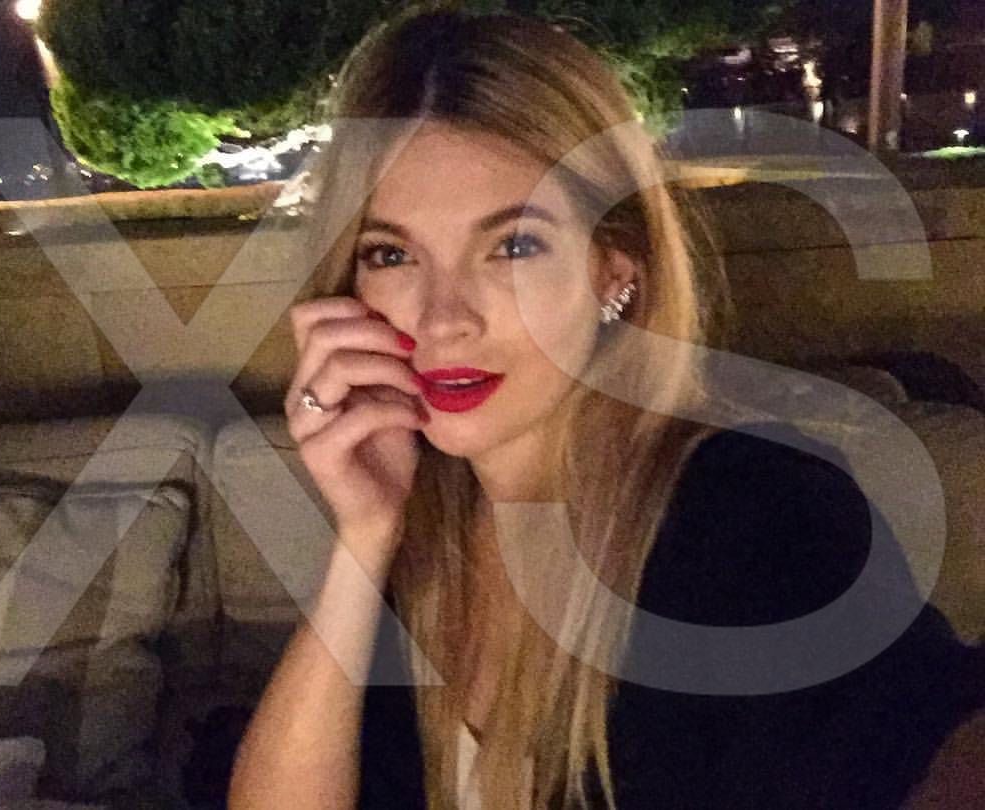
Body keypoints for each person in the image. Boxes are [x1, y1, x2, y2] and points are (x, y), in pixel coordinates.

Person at [227, 5, 984, 809]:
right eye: (391, 254)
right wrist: (364, 536)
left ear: (614, 271)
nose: (444, 319)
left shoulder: (758, 512)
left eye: (513, 245)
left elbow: (929, 737)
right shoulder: (426, 527)